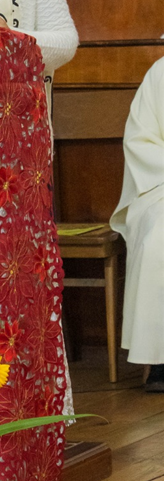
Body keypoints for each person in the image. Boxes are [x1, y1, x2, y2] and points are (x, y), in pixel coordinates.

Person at [110, 57, 164, 392]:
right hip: (160, 183)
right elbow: (141, 141)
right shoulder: (161, 72)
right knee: (158, 236)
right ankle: (160, 359)